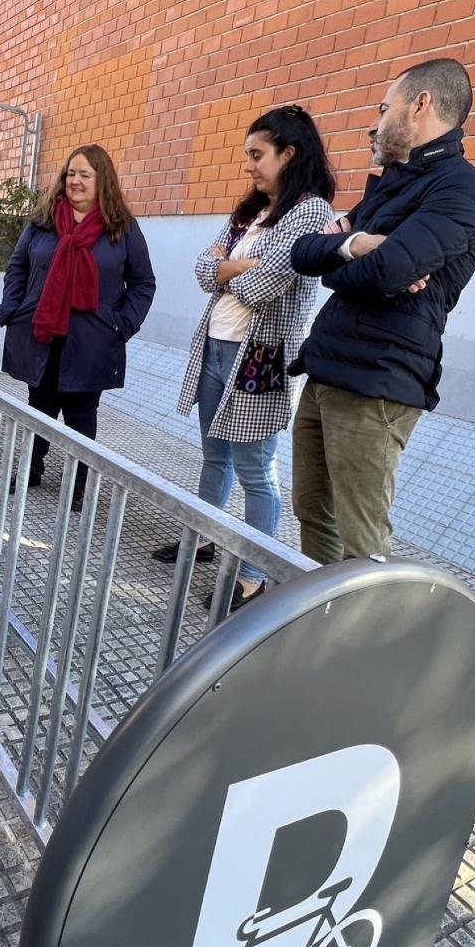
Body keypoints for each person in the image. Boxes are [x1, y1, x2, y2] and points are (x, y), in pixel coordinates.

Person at [288, 57, 475, 564]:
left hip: (378, 383)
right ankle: (322, 619)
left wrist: (348, 253)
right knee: (312, 511)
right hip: (327, 368)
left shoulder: (462, 189)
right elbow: (300, 252)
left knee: (361, 539)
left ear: (420, 105)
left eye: (384, 109)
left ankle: (363, 638)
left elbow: (386, 271)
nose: (374, 124)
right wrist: (358, 247)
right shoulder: (392, 184)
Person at [159, 106, 337, 610]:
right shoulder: (251, 211)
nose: (249, 167)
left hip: (259, 359)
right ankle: (202, 538)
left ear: (289, 154)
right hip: (215, 346)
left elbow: (261, 286)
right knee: (214, 455)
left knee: (258, 470)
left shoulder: (310, 213)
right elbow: (201, 268)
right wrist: (236, 265)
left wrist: (228, 268)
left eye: (257, 155)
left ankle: (255, 574)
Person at [0, 145, 156, 510]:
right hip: (43, 332)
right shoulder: (44, 221)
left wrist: (121, 325)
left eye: (85, 174)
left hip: (92, 339)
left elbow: (144, 283)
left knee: (82, 412)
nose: (75, 181)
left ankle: (80, 481)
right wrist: (12, 307)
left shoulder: (122, 228)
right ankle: (32, 467)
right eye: (71, 174)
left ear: (103, 181)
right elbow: (17, 266)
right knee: (39, 405)